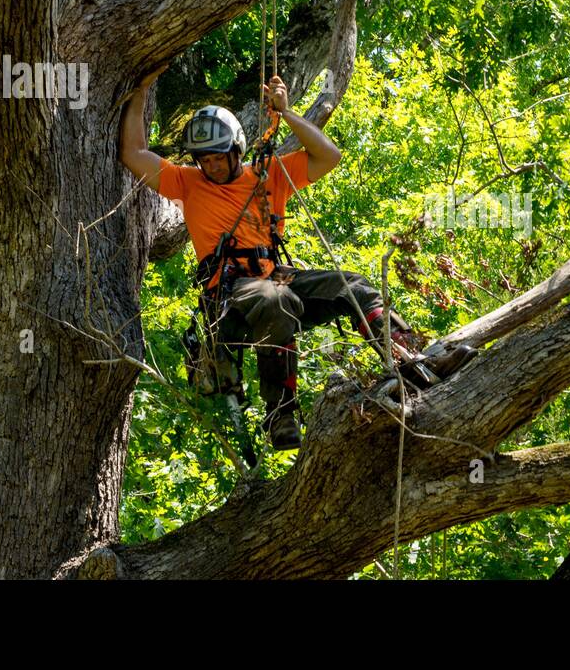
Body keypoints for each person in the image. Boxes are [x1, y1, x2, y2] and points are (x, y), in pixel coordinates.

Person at [118, 69, 471, 451]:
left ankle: (408, 357)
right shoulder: (187, 182)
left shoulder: (269, 175)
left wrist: (286, 113)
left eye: (219, 157)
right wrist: (139, 90)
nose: (212, 166)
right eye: (204, 160)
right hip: (232, 296)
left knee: (353, 285)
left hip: (276, 278)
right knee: (276, 300)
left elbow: (328, 156)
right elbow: (133, 153)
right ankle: (281, 413)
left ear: (236, 149)